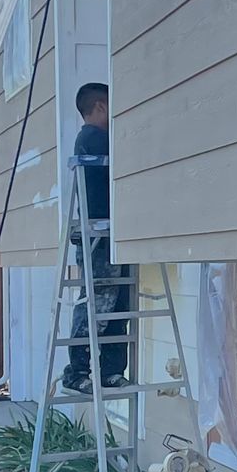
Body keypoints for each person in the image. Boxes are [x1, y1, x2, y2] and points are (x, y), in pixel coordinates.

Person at [61, 82, 133, 392]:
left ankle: (110, 371)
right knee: (98, 301)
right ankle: (77, 372)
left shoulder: (94, 138)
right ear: (100, 107)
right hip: (99, 233)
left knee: (119, 303)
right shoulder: (93, 137)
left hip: (112, 231)